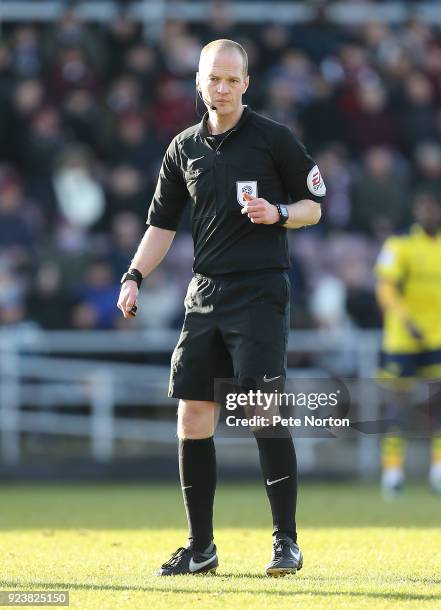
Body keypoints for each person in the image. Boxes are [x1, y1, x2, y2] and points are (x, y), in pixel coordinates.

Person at [117, 39, 324, 576]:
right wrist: (134, 275)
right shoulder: (183, 148)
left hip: (260, 290)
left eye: (233, 79)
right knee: (192, 414)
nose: (224, 88)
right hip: (204, 293)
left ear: (247, 84)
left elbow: (314, 208)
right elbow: (160, 227)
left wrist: (277, 212)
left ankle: (286, 542)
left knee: (260, 409)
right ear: (199, 83)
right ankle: (201, 547)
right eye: (215, 79)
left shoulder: (274, 139)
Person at [374, 192, 441, 498]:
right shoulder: (399, 246)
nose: (428, 212)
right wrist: (405, 318)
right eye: (423, 207)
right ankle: (392, 474)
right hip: (403, 337)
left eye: (433, 207)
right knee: (398, 405)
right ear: (415, 211)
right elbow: (385, 288)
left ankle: (440, 472)